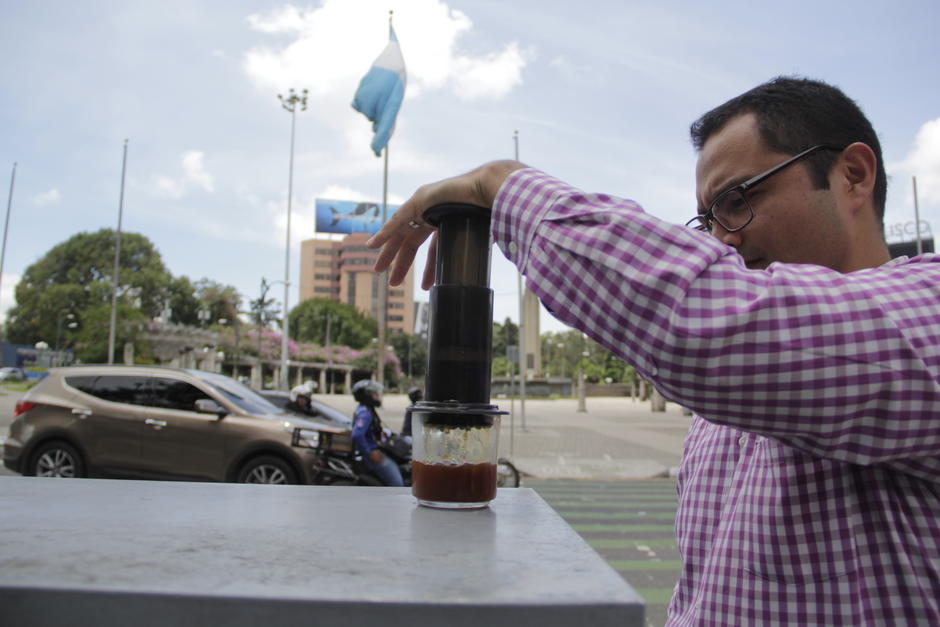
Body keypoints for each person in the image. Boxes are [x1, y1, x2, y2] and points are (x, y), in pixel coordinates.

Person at [367, 77, 940, 624]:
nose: (722, 241)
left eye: (737, 199)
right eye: (707, 219)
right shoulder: (721, 412)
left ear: (854, 175)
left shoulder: (927, 310)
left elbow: (699, 320)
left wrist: (500, 183)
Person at [350, 379, 403, 487]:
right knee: (397, 484)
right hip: (372, 454)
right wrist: (369, 453)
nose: (377, 396)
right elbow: (357, 435)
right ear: (367, 396)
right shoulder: (365, 413)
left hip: (377, 449)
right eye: (374, 394)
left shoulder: (368, 410)